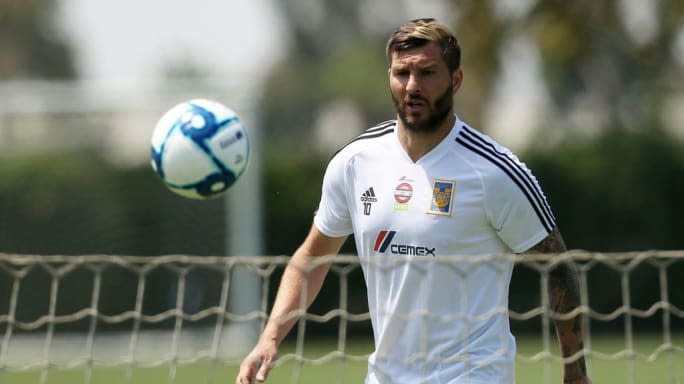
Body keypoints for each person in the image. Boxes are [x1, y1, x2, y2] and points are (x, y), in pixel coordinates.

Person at [237, 18, 590, 384]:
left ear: (455, 80)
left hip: (474, 375)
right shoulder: (355, 163)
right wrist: (270, 337)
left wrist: (574, 371)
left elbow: (558, 266)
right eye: (402, 73)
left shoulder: (494, 171)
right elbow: (312, 257)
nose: (412, 86)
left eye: (427, 73)